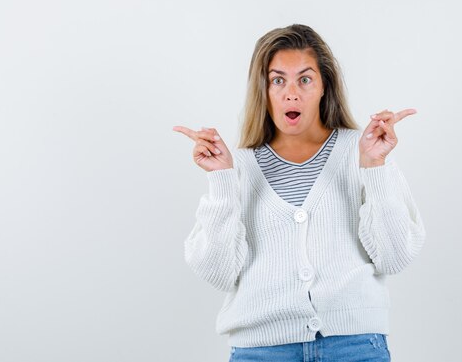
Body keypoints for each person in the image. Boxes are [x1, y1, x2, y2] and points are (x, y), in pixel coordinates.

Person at [173, 24, 426, 362]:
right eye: (278, 80)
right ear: (263, 90)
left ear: (324, 87)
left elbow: (394, 256)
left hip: (354, 348)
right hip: (261, 351)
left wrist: (374, 167)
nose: (291, 93)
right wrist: (222, 181)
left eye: (305, 79)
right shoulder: (239, 166)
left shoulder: (362, 152)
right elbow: (218, 272)